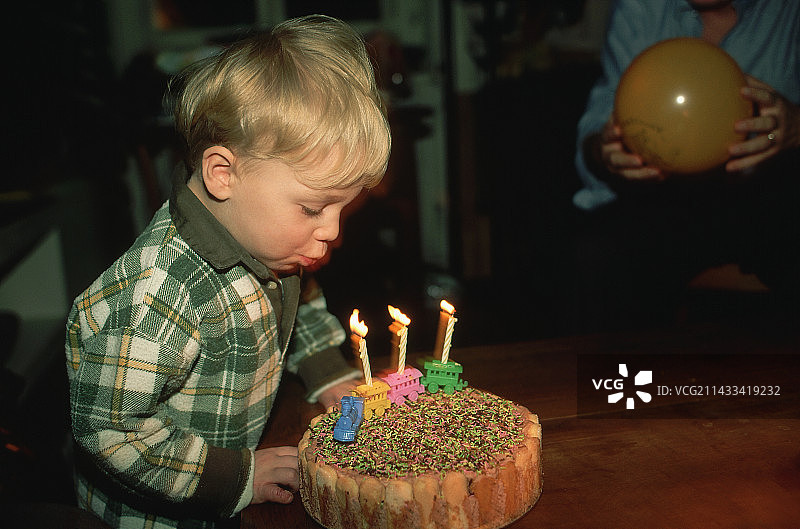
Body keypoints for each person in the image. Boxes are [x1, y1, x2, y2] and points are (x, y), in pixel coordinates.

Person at [65, 15, 391, 528]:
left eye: (342, 210)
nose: (331, 232)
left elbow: (299, 302)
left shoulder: (275, 245)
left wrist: (327, 373)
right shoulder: (157, 299)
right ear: (223, 174)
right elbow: (110, 433)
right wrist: (239, 476)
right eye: (313, 208)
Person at [568, 0, 800, 332]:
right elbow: (596, 129)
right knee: (598, 254)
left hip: (777, 192)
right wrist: (603, 152)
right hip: (665, 195)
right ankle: (623, 381)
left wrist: (797, 126)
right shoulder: (639, 9)